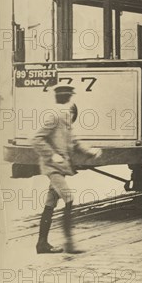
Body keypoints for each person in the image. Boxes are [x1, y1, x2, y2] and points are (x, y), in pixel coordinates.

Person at [31, 83, 101, 254]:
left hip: (59, 167)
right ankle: (70, 244)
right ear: (66, 98)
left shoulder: (65, 116)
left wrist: (89, 151)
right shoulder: (55, 115)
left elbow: (73, 141)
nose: (70, 100)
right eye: (69, 97)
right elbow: (37, 139)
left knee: (50, 203)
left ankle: (42, 244)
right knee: (69, 198)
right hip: (52, 167)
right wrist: (51, 155)